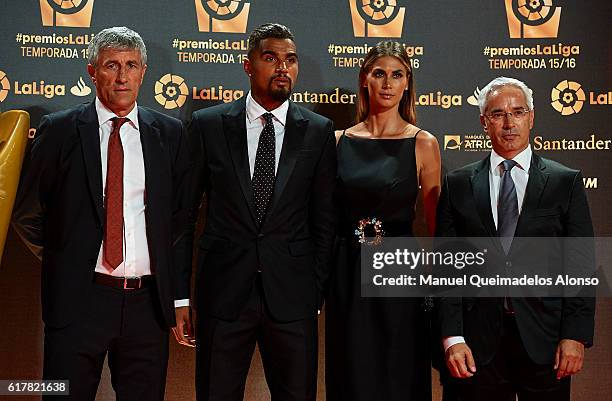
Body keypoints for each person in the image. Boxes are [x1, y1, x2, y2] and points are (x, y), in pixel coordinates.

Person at [11, 27, 191, 401]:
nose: (122, 76)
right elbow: (27, 212)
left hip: (147, 307)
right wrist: (67, 259)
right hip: (79, 301)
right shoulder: (59, 131)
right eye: (112, 65)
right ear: (93, 71)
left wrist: (176, 295)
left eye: (131, 65)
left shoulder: (170, 134)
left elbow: (178, 220)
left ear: (144, 71)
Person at [174, 23, 336, 401]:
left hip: (293, 297)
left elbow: (324, 220)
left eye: (290, 60)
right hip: (223, 294)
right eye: (270, 58)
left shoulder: (317, 130)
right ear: (248, 65)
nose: (283, 67)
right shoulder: (208, 124)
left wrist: (314, 291)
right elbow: (183, 217)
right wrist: (181, 297)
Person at [436, 76, 595, 401]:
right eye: (497, 114)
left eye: (518, 112)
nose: (509, 123)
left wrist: (575, 335)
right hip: (475, 345)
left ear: (532, 117)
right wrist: (452, 337)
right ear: (484, 122)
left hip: (546, 342)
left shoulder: (565, 182)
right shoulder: (458, 184)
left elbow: (581, 266)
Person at [325, 40, 441, 401]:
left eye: (397, 75)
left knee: (399, 374)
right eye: (379, 74)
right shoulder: (336, 142)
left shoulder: (423, 143)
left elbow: (438, 229)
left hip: (399, 273)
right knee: (351, 373)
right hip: (346, 271)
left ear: (408, 82)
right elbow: (323, 218)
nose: (388, 83)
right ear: (364, 80)